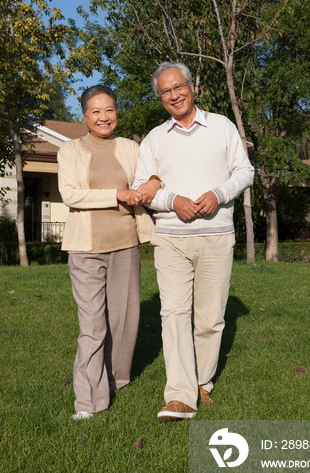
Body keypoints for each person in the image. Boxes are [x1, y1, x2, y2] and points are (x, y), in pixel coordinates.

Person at [133, 62, 255, 422]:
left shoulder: (221, 126)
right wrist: (173, 202)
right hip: (171, 239)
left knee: (211, 319)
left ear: (191, 86)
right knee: (172, 314)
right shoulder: (155, 138)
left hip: (217, 237)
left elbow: (245, 171)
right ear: (160, 99)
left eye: (179, 87)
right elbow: (144, 189)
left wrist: (219, 194)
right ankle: (180, 396)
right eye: (166, 92)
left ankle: (202, 382)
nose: (174, 95)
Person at [57, 85, 159, 420]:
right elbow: (72, 195)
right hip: (86, 248)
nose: (104, 117)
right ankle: (87, 401)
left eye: (110, 110)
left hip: (125, 245)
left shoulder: (131, 148)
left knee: (124, 321)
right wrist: (117, 193)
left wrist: (153, 183)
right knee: (92, 325)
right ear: (84, 116)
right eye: (96, 111)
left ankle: (116, 381)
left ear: (117, 113)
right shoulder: (69, 151)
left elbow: (150, 177)